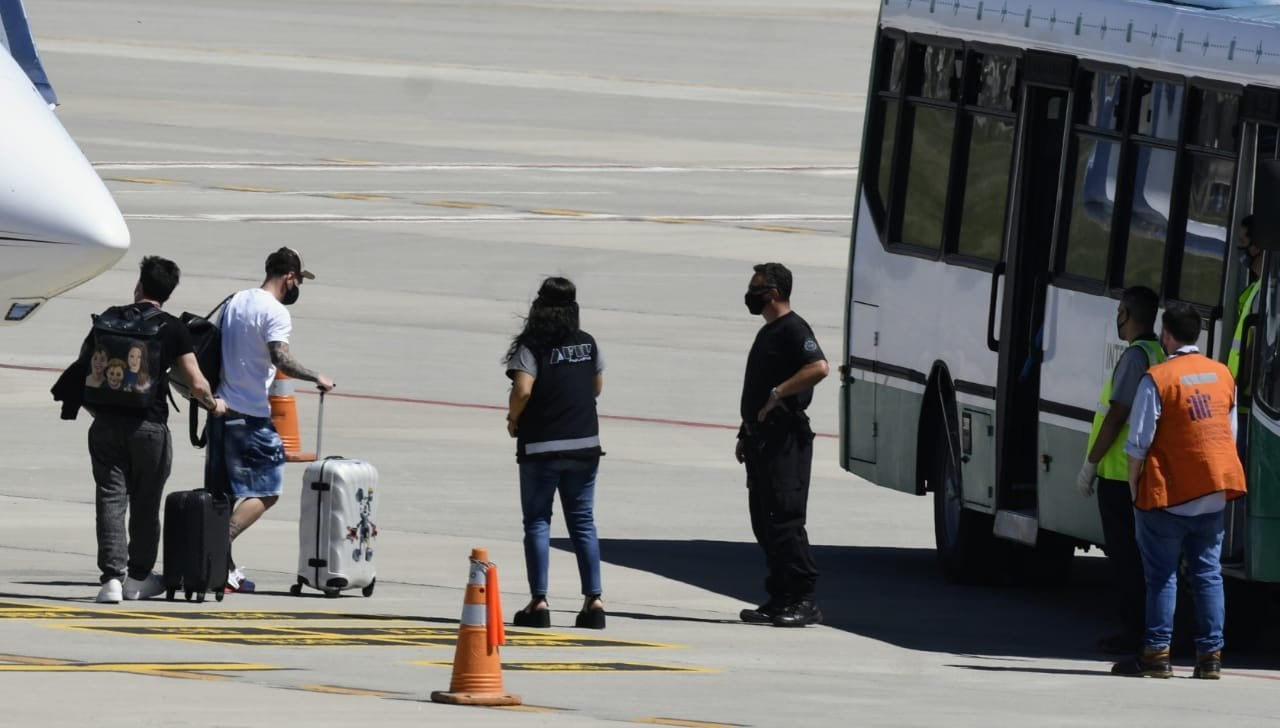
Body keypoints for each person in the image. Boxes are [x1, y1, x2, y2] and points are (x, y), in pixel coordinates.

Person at [1113, 303, 1247, 679]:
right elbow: (1229, 435)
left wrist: (1135, 486)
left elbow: (1138, 443)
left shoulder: (1158, 378)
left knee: (1161, 576)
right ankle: (1211, 658)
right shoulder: (1223, 376)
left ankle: (1156, 654)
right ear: (1198, 336)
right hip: (1213, 491)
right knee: (1207, 575)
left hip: (1168, 494)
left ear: (1166, 335)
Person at [85, 256, 225, 603]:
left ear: (139, 286)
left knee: (110, 499)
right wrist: (214, 406)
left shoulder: (108, 319)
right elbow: (196, 382)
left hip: (105, 424)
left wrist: (100, 411)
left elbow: (83, 371)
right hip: (149, 427)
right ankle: (138, 577)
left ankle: (111, 580)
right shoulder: (173, 328)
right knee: (146, 503)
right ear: (168, 292)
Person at [205, 246, 334, 593]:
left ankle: (221, 569)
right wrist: (315, 376)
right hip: (250, 416)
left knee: (222, 494)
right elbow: (281, 359)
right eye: (298, 282)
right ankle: (217, 549)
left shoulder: (236, 301)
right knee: (269, 488)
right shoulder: (275, 312)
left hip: (220, 409)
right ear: (289, 277)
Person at [504, 277, 606, 630]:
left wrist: (513, 418)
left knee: (537, 522)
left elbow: (523, 389)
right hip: (584, 444)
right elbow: (596, 386)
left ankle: (540, 600)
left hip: (542, 446)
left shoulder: (531, 347)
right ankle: (594, 601)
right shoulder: (588, 343)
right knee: (582, 522)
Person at [735, 262, 828, 628]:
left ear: (773, 292)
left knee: (785, 519)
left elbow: (818, 367)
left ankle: (804, 598)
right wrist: (744, 432)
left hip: (785, 440)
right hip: (761, 440)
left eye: (756, 288)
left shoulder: (793, 329)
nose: (751, 294)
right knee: (764, 520)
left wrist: (779, 393)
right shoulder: (769, 331)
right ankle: (779, 596)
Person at [1076, 286, 1164, 655]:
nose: (1116, 318)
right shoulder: (1159, 352)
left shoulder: (1134, 357)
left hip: (1118, 475)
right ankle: (1146, 628)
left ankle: (1134, 632)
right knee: (1145, 559)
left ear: (1127, 314)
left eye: (1118, 311)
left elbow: (1115, 417)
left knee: (1126, 559)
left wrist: (1090, 464)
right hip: (1142, 472)